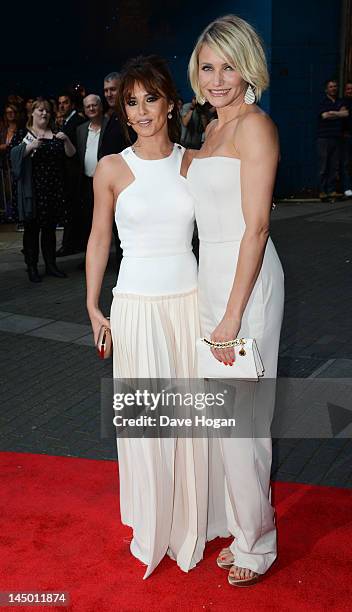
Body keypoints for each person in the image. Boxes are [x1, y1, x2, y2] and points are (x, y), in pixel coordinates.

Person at [86, 55, 210, 579]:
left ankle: (188, 518)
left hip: (189, 304)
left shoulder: (195, 162)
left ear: (171, 102)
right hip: (133, 306)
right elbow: (98, 239)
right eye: (130, 102)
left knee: (190, 421)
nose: (140, 112)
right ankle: (151, 520)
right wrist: (92, 305)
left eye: (150, 100)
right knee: (146, 423)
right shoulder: (113, 168)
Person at [184, 14, 285, 586]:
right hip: (212, 276)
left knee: (244, 419)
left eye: (229, 66)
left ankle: (258, 545)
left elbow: (257, 228)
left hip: (245, 284)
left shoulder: (254, 127)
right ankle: (246, 526)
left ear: (248, 68)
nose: (218, 78)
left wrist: (230, 314)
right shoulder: (212, 129)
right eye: (208, 66)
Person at [10, 98, 75, 282]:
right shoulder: (23, 134)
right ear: (32, 112)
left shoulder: (55, 134)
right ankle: (32, 267)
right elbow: (13, 157)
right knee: (31, 231)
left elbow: (70, 154)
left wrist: (66, 140)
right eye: (40, 110)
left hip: (52, 190)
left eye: (47, 111)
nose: (44, 114)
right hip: (33, 192)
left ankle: (51, 265)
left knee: (49, 230)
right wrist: (29, 147)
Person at [76, 94, 108, 258]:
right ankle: (91, 257)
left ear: (100, 106)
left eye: (94, 105)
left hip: (107, 183)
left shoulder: (109, 126)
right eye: (88, 106)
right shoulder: (81, 130)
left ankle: (117, 259)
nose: (91, 108)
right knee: (90, 222)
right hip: (88, 183)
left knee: (111, 221)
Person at [56, 92, 85, 256]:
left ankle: (69, 245)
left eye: (65, 102)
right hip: (68, 173)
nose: (62, 105)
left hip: (74, 173)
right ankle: (72, 243)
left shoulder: (77, 121)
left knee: (72, 210)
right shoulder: (66, 121)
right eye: (60, 103)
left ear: (72, 104)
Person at [317, 79, 348, 202]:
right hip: (323, 138)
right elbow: (324, 115)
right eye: (331, 87)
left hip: (336, 137)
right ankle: (322, 191)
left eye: (335, 86)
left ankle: (331, 190)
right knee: (323, 166)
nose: (333, 88)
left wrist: (332, 113)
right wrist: (338, 113)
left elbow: (346, 114)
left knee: (334, 166)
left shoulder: (340, 101)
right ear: (326, 89)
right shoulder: (322, 102)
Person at [0, 105, 20, 220]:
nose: (10, 114)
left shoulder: (21, 128)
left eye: (12, 112)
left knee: (17, 188)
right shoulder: (3, 130)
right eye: (8, 112)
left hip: (17, 162)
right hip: (5, 163)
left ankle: (17, 214)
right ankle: (8, 213)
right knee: (7, 189)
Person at [341, 81, 352, 198]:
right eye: (348, 89)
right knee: (346, 163)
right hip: (347, 136)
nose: (350, 91)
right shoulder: (342, 103)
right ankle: (347, 188)